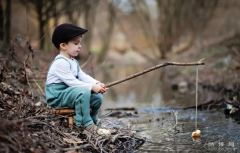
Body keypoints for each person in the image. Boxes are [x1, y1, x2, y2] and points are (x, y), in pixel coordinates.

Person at [45, 23, 109, 135]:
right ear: (63, 46)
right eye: (76, 43)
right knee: (83, 91)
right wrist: (92, 87)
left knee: (97, 97)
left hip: (69, 93)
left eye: (79, 43)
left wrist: (96, 83)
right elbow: (72, 82)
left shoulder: (73, 62)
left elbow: (82, 76)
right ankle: (86, 124)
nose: (79, 46)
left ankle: (93, 120)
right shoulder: (60, 62)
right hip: (58, 96)